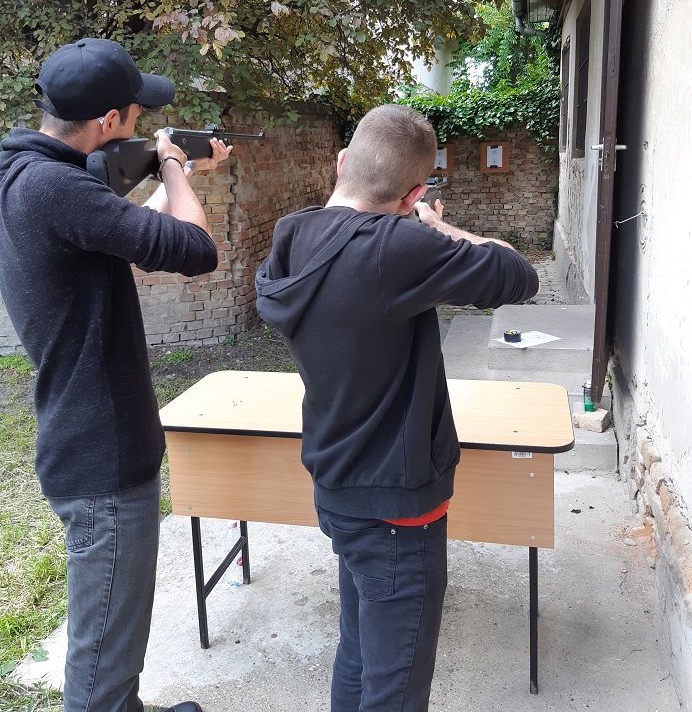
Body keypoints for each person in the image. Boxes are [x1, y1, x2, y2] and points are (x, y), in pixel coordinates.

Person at [255, 104, 539, 712]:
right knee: (396, 686)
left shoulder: (290, 236)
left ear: (341, 162)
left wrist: (415, 228)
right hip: (396, 506)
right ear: (414, 194)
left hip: (337, 486)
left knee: (358, 655)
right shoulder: (398, 247)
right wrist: (438, 228)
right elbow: (517, 274)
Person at [0, 38, 231, 712]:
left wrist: (178, 174)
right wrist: (174, 165)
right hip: (102, 452)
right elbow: (197, 249)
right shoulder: (57, 187)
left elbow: (123, 231)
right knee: (100, 663)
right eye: (135, 112)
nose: (140, 118)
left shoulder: (24, 172)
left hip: (82, 432)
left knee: (115, 637)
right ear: (108, 121)